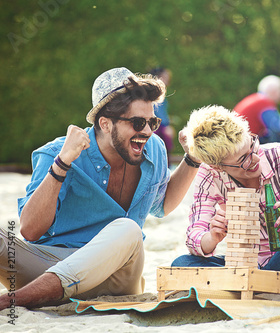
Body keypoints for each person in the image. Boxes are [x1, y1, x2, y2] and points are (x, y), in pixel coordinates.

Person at [0, 67, 200, 310]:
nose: (147, 131)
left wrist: (192, 158)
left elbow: (162, 206)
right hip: (49, 268)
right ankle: (41, 293)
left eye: (152, 122)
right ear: (105, 124)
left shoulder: (154, 148)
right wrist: (62, 164)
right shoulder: (56, 154)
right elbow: (30, 231)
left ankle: (13, 301)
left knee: (128, 229)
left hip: (117, 277)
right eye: (138, 122)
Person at [171, 105, 280, 277]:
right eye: (243, 159)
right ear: (217, 167)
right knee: (181, 265)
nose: (255, 158)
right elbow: (194, 236)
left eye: (252, 145)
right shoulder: (209, 175)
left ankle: (260, 282)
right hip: (250, 264)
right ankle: (265, 280)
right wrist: (212, 237)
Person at [234, 75, 280, 144]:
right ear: (274, 91)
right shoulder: (265, 102)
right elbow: (276, 128)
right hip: (244, 143)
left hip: (237, 140)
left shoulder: (255, 99)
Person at [149, 67, 176, 167]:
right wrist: (166, 126)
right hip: (155, 126)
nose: (168, 80)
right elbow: (157, 113)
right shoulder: (154, 93)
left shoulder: (161, 94)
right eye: (165, 77)